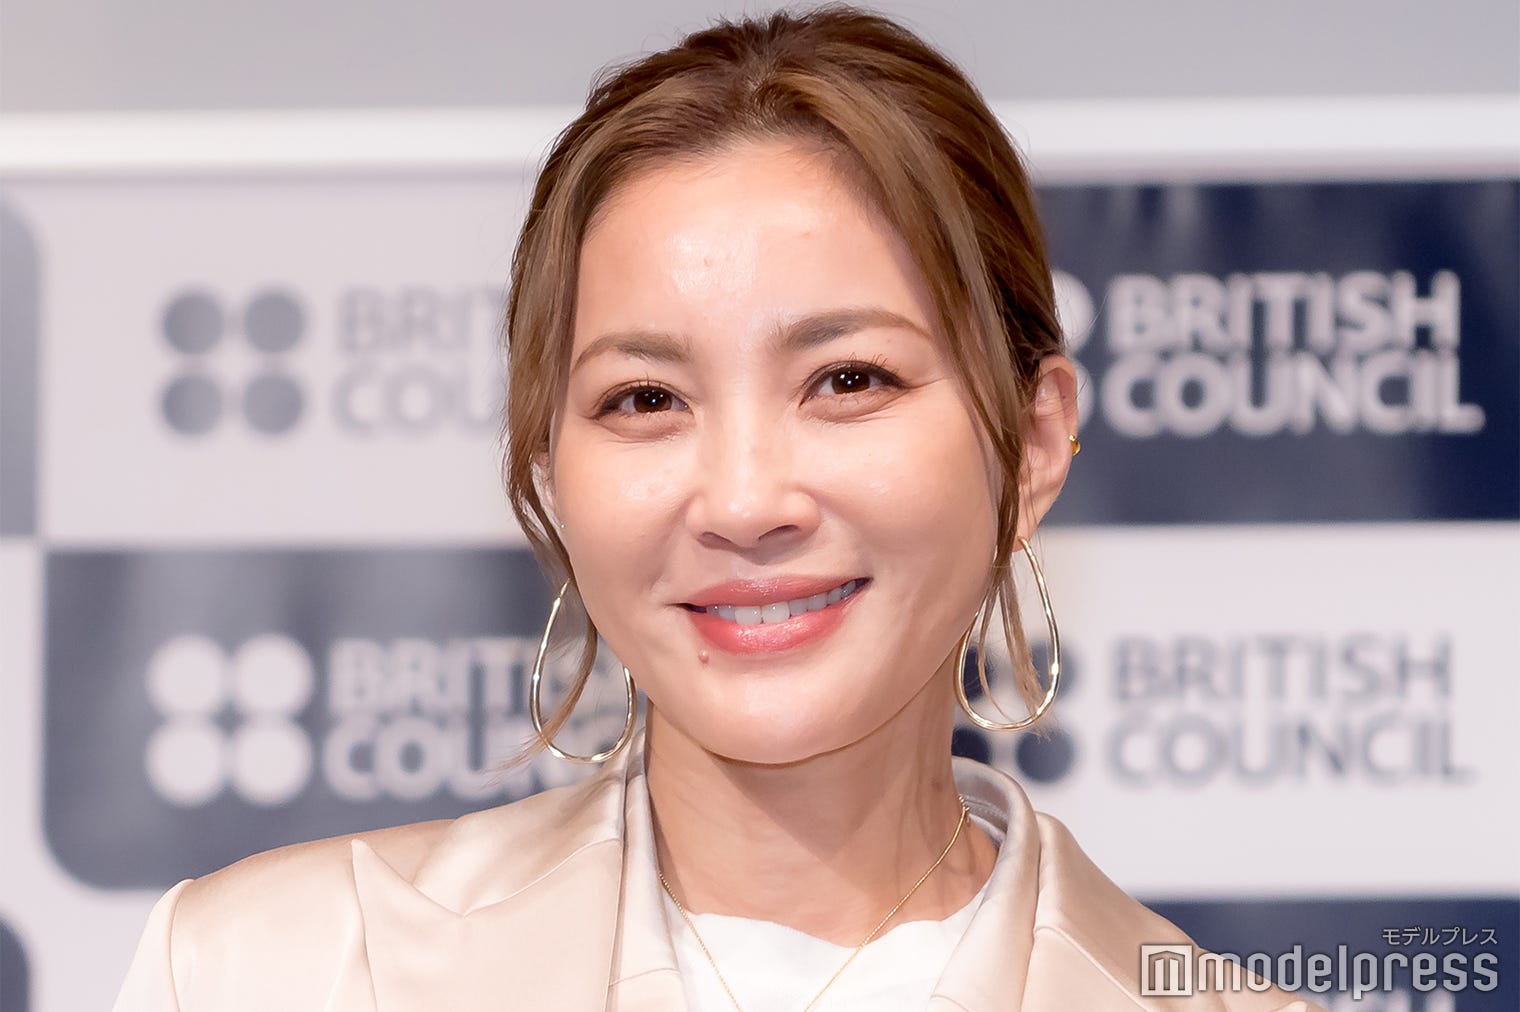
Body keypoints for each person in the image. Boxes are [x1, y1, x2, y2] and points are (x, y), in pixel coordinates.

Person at [115, 7, 1324, 1011]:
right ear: (549, 471)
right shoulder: (268, 971)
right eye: (645, 398)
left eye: (846, 380)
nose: (744, 501)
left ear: (1033, 441)